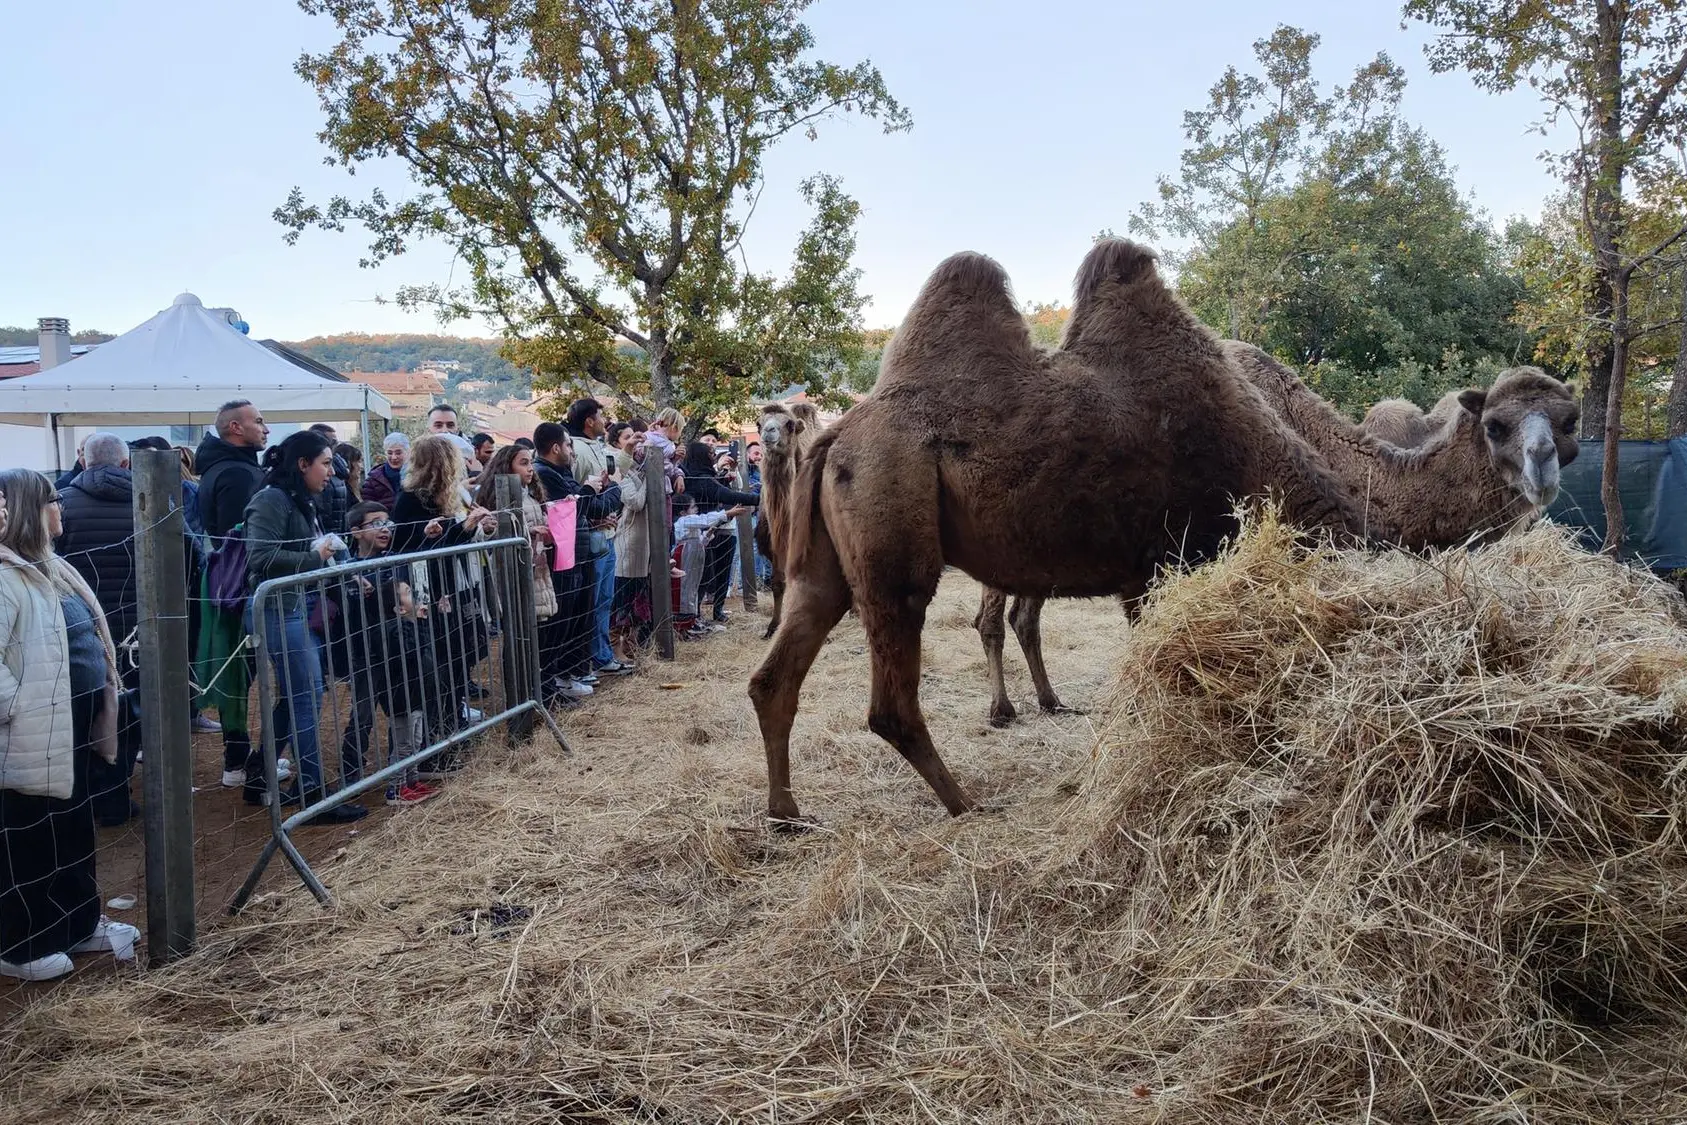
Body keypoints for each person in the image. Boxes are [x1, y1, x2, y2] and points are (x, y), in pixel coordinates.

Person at [0, 469, 140, 982]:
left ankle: (77, 923)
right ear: (26, 509)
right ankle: (21, 944)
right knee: (27, 836)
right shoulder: (3, 575)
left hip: (72, 722)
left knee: (73, 826)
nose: (61, 508)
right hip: (28, 732)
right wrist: (18, 707)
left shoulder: (51, 567)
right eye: (53, 500)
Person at [244, 430, 367, 824]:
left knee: (304, 693)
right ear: (302, 464)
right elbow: (260, 557)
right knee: (305, 696)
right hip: (278, 610)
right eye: (326, 463)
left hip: (294, 606)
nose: (332, 472)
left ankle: (261, 772)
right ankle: (311, 792)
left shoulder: (298, 499)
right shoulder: (271, 500)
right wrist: (316, 555)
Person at [52, 432, 142, 827]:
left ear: (84, 462)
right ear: (125, 464)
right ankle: (116, 796)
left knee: (83, 713)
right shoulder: (150, 502)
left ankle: (84, 796)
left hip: (80, 633)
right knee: (130, 712)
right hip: (139, 629)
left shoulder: (62, 504)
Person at [391, 435, 497, 735]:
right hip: (428, 593)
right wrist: (459, 529)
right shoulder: (411, 499)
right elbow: (407, 548)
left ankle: (454, 716)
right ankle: (440, 727)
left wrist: (474, 527)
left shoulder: (449, 496)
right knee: (438, 660)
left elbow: (449, 540)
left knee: (460, 651)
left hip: (453, 585)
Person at [195, 400, 274, 794]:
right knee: (241, 672)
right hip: (239, 589)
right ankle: (239, 760)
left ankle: (237, 758)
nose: (266, 428)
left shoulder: (226, 467)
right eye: (258, 421)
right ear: (234, 429)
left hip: (229, 586)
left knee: (239, 671)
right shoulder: (237, 474)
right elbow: (239, 539)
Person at [532, 422, 620, 700]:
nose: (572, 451)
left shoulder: (563, 473)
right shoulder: (547, 475)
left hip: (579, 553)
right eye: (569, 445)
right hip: (563, 557)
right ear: (556, 447)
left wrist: (601, 491)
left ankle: (570, 672)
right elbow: (581, 507)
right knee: (562, 622)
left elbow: (594, 505)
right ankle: (555, 679)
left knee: (579, 617)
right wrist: (597, 490)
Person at [328, 501, 397, 789]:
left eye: (387, 522)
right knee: (364, 710)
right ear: (356, 533)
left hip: (395, 647)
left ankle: (400, 761)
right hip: (363, 653)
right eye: (375, 523)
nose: (385, 529)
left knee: (400, 707)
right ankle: (351, 765)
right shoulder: (345, 571)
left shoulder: (395, 561)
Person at [565, 398, 629, 676]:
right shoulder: (576, 450)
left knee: (604, 599)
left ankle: (600, 654)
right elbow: (579, 495)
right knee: (592, 600)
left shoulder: (598, 448)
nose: (605, 421)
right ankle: (593, 657)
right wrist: (594, 515)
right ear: (589, 420)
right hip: (590, 536)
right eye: (601, 416)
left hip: (607, 532)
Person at [371, 579, 442, 806]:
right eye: (408, 593)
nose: (415, 596)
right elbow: (411, 653)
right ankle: (396, 787)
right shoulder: (394, 629)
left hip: (416, 694)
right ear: (399, 608)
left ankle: (411, 781)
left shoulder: (408, 626)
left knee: (416, 741)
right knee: (404, 744)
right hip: (402, 697)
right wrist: (420, 623)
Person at [472, 444, 557, 627]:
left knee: (534, 624)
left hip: (535, 566)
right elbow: (496, 533)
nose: (530, 469)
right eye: (523, 463)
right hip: (511, 569)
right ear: (507, 466)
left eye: (531, 463)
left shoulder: (533, 496)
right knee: (517, 624)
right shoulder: (498, 497)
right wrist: (529, 532)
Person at [681, 441, 760, 624]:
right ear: (701, 457)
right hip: (703, 535)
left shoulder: (702, 477)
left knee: (720, 573)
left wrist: (727, 475)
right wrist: (760, 499)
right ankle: (694, 616)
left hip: (718, 531)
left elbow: (727, 490)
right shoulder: (699, 479)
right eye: (709, 454)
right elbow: (728, 496)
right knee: (703, 577)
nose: (713, 456)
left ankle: (715, 612)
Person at [607, 423, 652, 657]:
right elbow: (634, 501)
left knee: (637, 597)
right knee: (622, 599)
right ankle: (616, 645)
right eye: (628, 438)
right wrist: (650, 478)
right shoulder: (619, 470)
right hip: (627, 543)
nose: (635, 442)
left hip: (642, 545)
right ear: (617, 443)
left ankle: (631, 643)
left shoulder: (636, 469)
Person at [308, 424, 351, 535]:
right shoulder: (317, 474)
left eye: (336, 442)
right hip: (327, 535)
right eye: (332, 442)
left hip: (337, 533)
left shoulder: (339, 466)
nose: (335, 446)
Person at [362, 432, 409, 513]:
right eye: (389, 453)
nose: (394, 457)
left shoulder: (417, 475)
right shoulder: (372, 480)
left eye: (398, 453)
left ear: (408, 452)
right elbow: (367, 510)